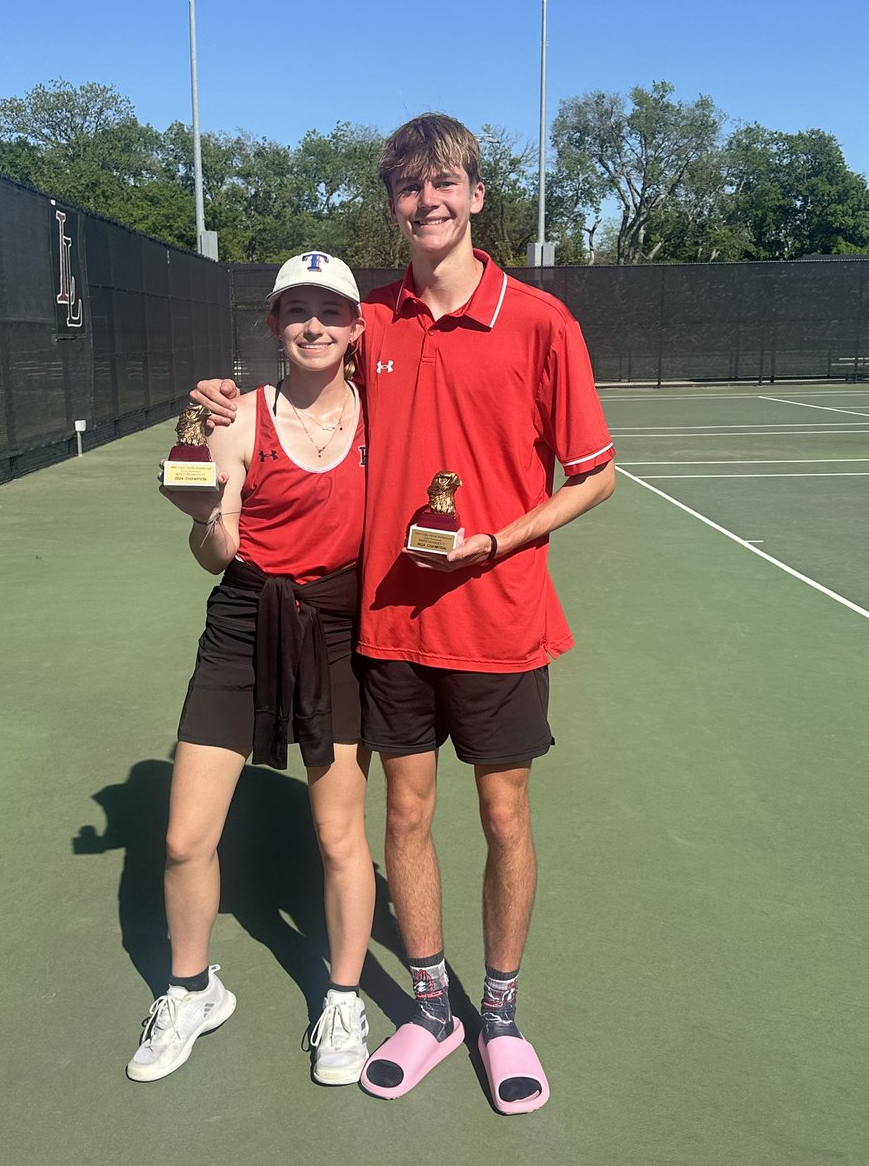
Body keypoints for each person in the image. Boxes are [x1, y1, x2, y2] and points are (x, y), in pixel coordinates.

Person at [194, 113, 615, 1114]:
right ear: (394, 207)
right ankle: (433, 1008)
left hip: (501, 617)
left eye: (443, 184)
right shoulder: (371, 319)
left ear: (475, 194)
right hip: (388, 622)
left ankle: (501, 1015)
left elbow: (596, 476)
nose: (426, 202)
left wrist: (500, 540)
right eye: (407, 189)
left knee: (505, 814)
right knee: (408, 815)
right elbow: (299, 380)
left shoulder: (542, 321)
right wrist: (217, 402)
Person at [128, 252, 374, 1086]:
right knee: (182, 837)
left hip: (338, 633)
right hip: (242, 623)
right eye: (296, 309)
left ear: (355, 326)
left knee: (341, 837)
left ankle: (343, 996)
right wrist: (207, 521)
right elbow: (212, 552)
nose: (313, 324)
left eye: (330, 311)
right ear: (274, 325)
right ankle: (192, 989)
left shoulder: (385, 421)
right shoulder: (237, 419)